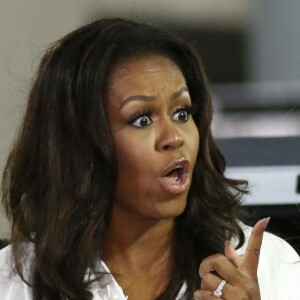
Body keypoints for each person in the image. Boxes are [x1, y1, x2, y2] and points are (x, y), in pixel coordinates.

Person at [0, 18, 299, 300]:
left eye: (182, 113)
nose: (174, 137)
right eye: (142, 119)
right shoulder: (13, 282)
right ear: (79, 143)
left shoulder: (270, 266)